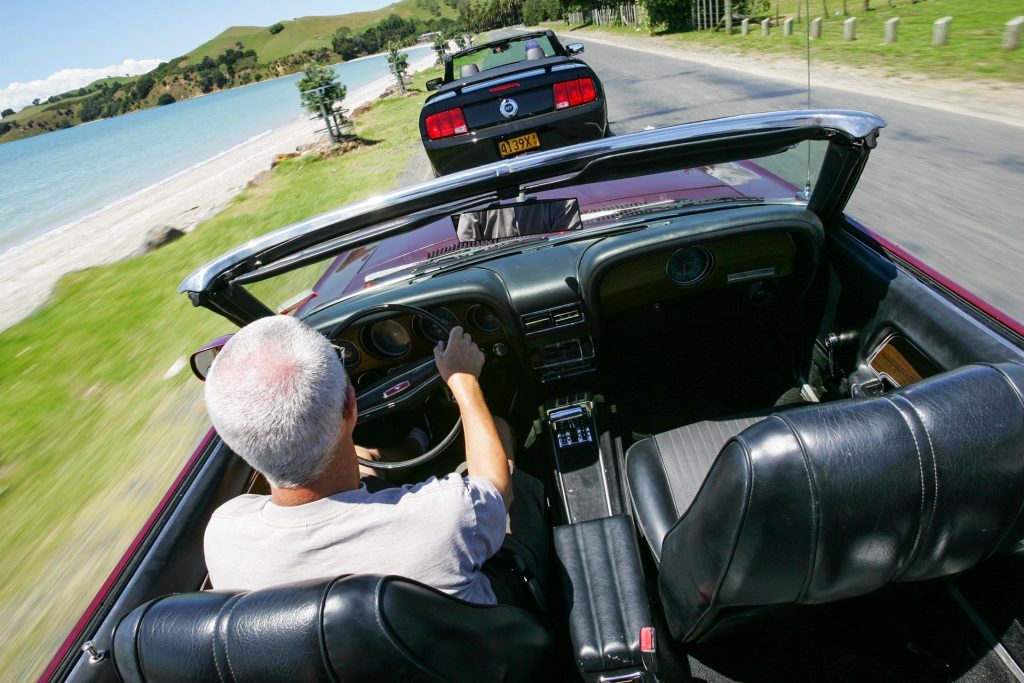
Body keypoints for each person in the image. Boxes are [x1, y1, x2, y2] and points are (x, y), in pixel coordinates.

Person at [202, 315, 545, 607]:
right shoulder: (446, 516)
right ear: (352, 405)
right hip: (500, 627)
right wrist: (463, 379)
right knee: (498, 432)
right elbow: (496, 485)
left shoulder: (223, 535)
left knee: (364, 460)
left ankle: (415, 442)